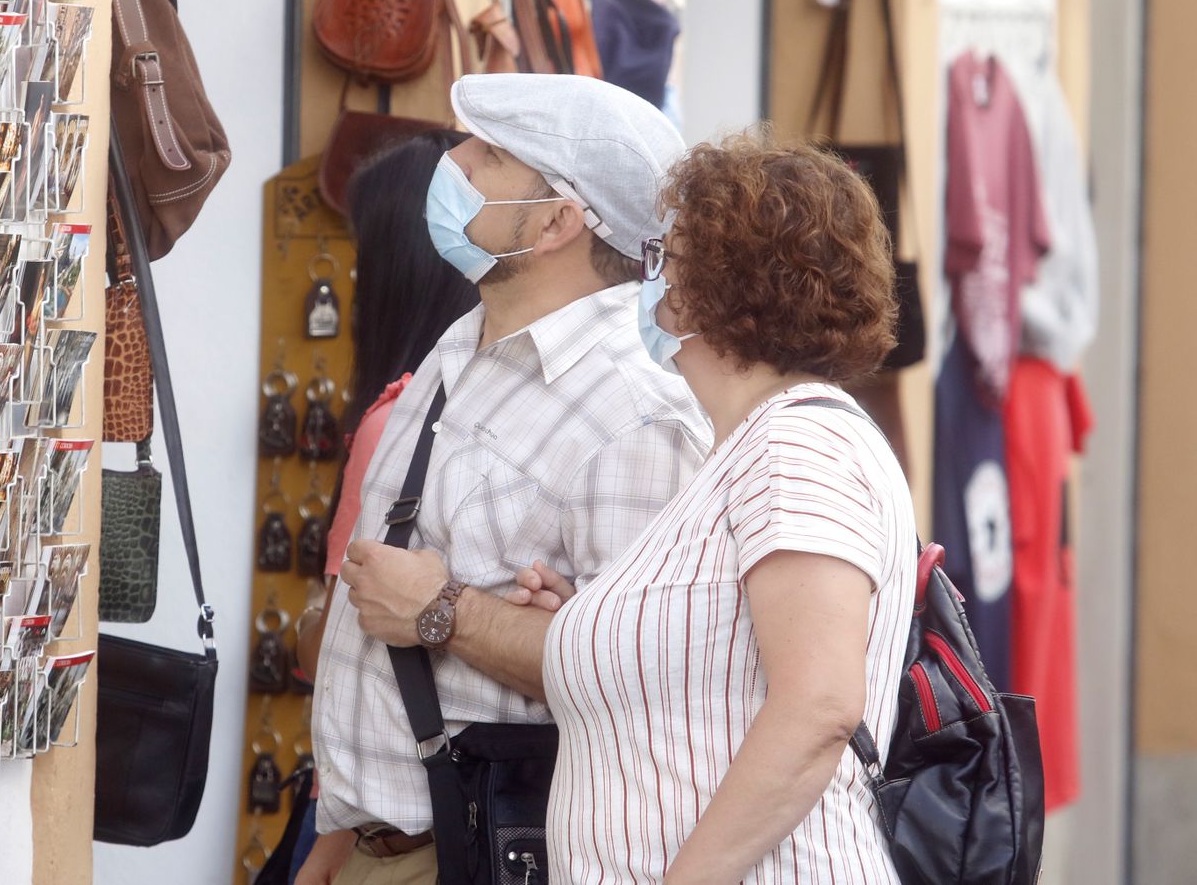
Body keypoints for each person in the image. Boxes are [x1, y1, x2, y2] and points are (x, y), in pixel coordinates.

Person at [311, 73, 710, 884]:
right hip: (376, 845)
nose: (451, 162)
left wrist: (442, 612)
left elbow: (644, 681)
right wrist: (337, 841)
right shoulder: (467, 340)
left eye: (488, 154)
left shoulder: (634, 415)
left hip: (483, 855)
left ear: (561, 220)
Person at [513, 130, 916, 882]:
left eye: (668, 255)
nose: (651, 277)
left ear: (725, 283)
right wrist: (594, 626)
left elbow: (820, 703)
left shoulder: (795, 443)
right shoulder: (746, 448)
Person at [290, 131, 480, 883]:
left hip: (382, 831)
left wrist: (309, 626)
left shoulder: (397, 421)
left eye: (366, 248)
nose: (357, 270)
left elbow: (341, 656)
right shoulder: (488, 411)